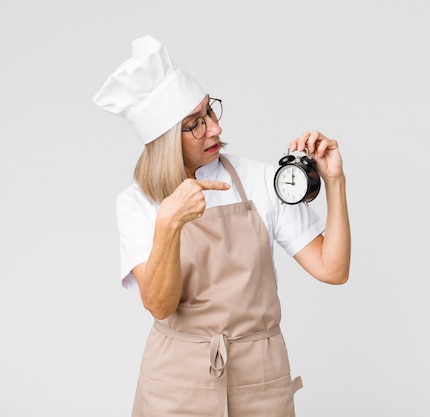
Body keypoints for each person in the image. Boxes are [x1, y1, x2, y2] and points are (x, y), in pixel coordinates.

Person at [93, 35, 350, 417]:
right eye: (194, 124)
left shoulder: (262, 179)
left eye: (210, 112)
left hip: (259, 377)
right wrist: (169, 225)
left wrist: (335, 182)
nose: (213, 128)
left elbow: (333, 269)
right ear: (164, 140)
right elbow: (160, 305)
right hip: (175, 386)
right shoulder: (136, 204)